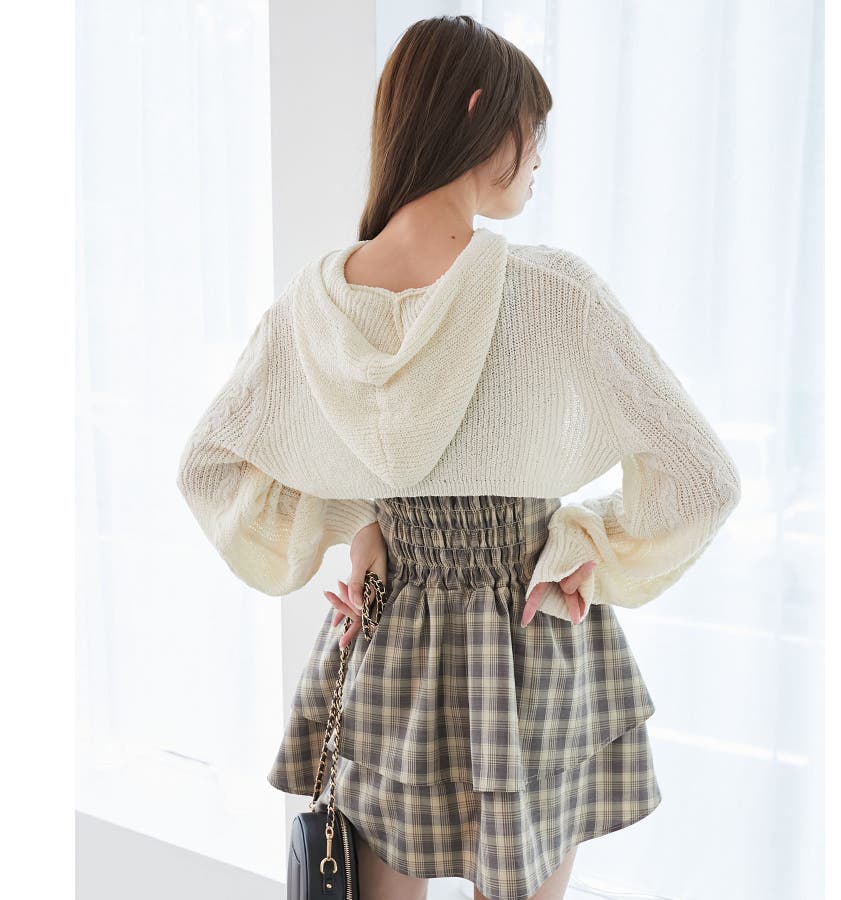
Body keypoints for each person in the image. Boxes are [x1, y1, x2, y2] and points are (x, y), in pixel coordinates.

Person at [175, 14, 741, 900]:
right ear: (479, 111)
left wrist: (361, 521)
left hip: (391, 645)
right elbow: (704, 477)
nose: (539, 154)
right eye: (532, 127)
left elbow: (209, 468)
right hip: (531, 642)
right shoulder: (555, 295)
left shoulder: (316, 308)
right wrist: (585, 544)